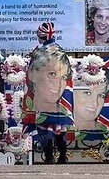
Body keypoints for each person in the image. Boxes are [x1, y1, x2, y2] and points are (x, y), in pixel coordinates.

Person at [23, 22, 73, 164]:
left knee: (44, 124)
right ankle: (63, 156)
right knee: (59, 125)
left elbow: (32, 74)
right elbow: (68, 75)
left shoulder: (39, 53)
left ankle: (49, 157)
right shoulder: (61, 52)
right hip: (59, 94)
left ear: (40, 36)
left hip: (43, 93)